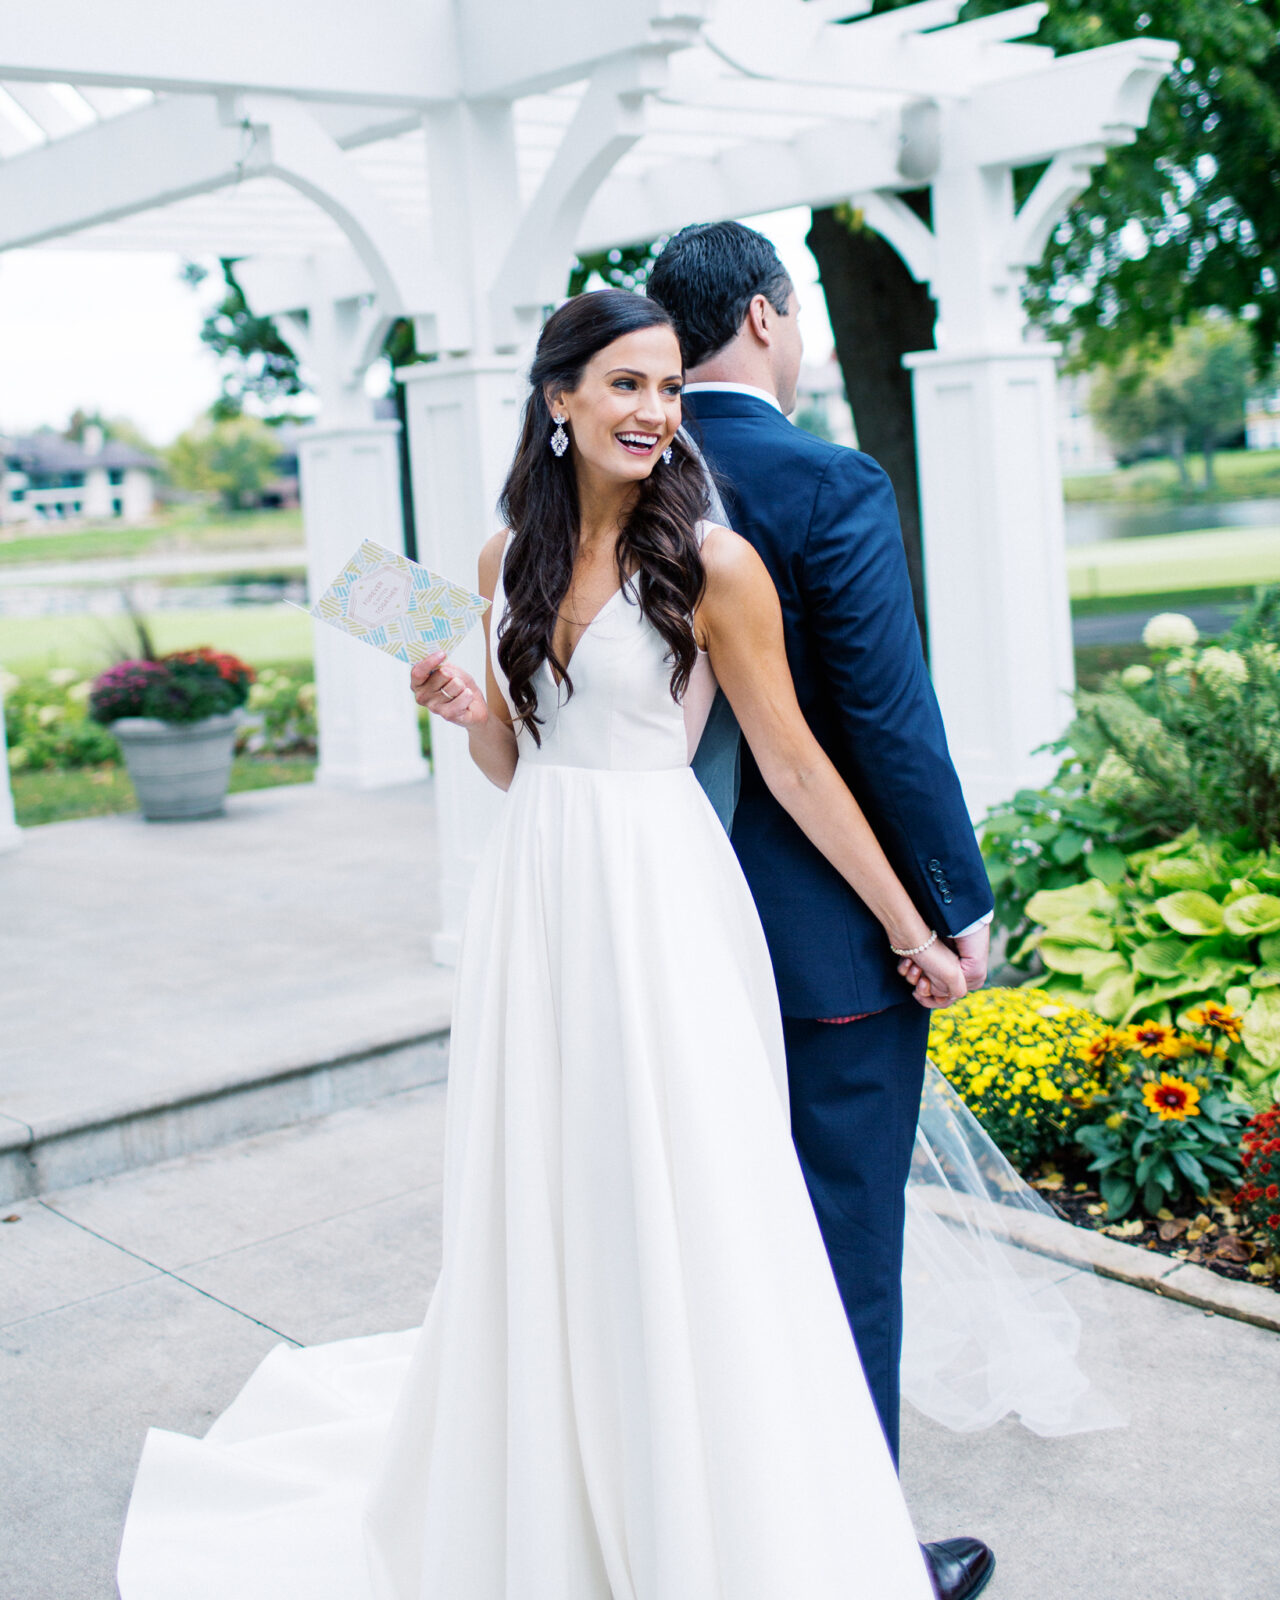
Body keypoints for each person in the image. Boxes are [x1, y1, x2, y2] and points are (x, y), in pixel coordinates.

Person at [116, 288, 962, 1599]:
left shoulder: (714, 563)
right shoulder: (502, 557)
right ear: (559, 398)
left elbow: (792, 763)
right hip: (542, 892)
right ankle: (558, 1477)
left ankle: (702, 1496)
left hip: (663, 898)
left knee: (685, 1190)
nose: (655, 412)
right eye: (627, 385)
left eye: (672, 388)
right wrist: (463, 704)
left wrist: (915, 927)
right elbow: (520, 761)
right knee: (553, 1184)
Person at [647, 221, 997, 1600]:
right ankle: (850, 1559)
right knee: (841, 1243)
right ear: (766, 315)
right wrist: (949, 905)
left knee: (688, 1252)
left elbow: (436, 620)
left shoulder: (593, 484)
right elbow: (882, 726)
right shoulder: (823, 482)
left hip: (632, 936)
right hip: (818, 951)